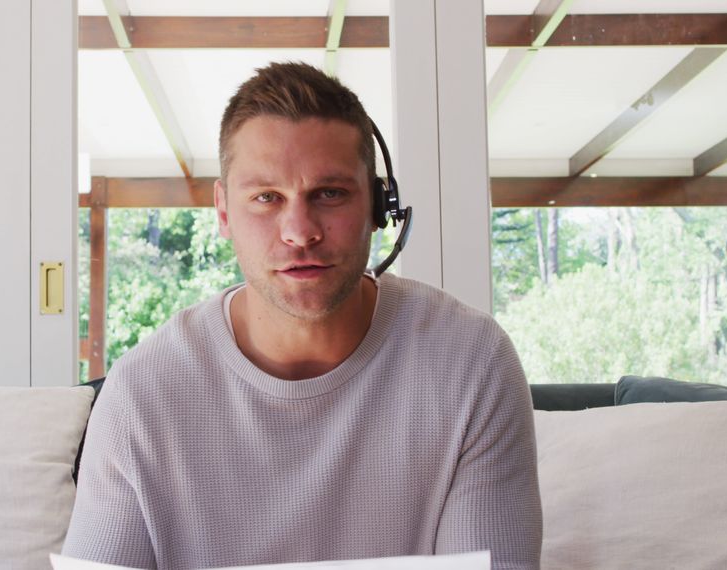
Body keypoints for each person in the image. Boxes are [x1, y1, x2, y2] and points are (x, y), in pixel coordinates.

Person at [62, 61, 542, 569]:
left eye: (329, 194)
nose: (300, 230)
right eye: (267, 197)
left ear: (379, 207)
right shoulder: (143, 391)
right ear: (223, 213)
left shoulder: (472, 363)